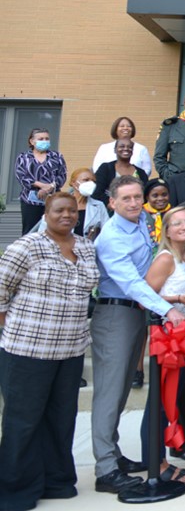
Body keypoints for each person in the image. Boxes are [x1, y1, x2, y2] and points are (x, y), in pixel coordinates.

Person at [0, 192, 100, 509]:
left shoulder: (85, 247)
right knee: (24, 420)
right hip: (28, 349)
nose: (67, 215)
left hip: (71, 349)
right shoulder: (26, 247)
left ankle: (56, 481)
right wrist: (11, 325)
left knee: (61, 418)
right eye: (59, 210)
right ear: (46, 214)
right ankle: (15, 490)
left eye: (72, 210)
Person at [91, 176, 185, 493]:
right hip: (115, 314)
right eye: (126, 198)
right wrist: (168, 310)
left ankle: (113, 455)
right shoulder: (111, 236)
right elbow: (132, 283)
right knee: (109, 393)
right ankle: (106, 470)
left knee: (119, 392)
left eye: (137, 197)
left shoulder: (141, 222)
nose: (134, 203)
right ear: (112, 202)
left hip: (135, 313)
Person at [139, 207, 185, 480]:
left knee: (173, 400)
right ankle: (155, 464)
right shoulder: (166, 259)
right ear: (166, 230)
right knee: (160, 402)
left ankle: (164, 457)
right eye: (177, 223)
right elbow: (144, 296)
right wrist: (177, 300)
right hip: (168, 340)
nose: (184, 226)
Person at [15, 128, 67, 234]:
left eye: (47, 139)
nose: (44, 141)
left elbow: (62, 175)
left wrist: (50, 187)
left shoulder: (57, 157)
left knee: (54, 229)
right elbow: (21, 176)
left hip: (53, 200)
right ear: (32, 141)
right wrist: (41, 186)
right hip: (30, 201)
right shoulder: (24, 157)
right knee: (30, 231)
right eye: (41, 139)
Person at [93, 138, 150, 207]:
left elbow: (146, 195)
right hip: (111, 210)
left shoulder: (141, 173)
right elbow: (97, 193)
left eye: (129, 147)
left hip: (135, 209)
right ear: (115, 150)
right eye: (122, 146)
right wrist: (112, 205)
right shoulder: (106, 168)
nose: (126, 149)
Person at [59, 167, 109, 240]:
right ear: (73, 183)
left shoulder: (99, 206)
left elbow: (107, 231)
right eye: (86, 180)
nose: (91, 183)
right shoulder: (59, 204)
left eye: (93, 181)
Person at [142, 179, 171, 244]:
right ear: (147, 197)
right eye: (155, 196)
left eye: (164, 195)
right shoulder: (140, 214)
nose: (160, 198)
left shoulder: (174, 213)